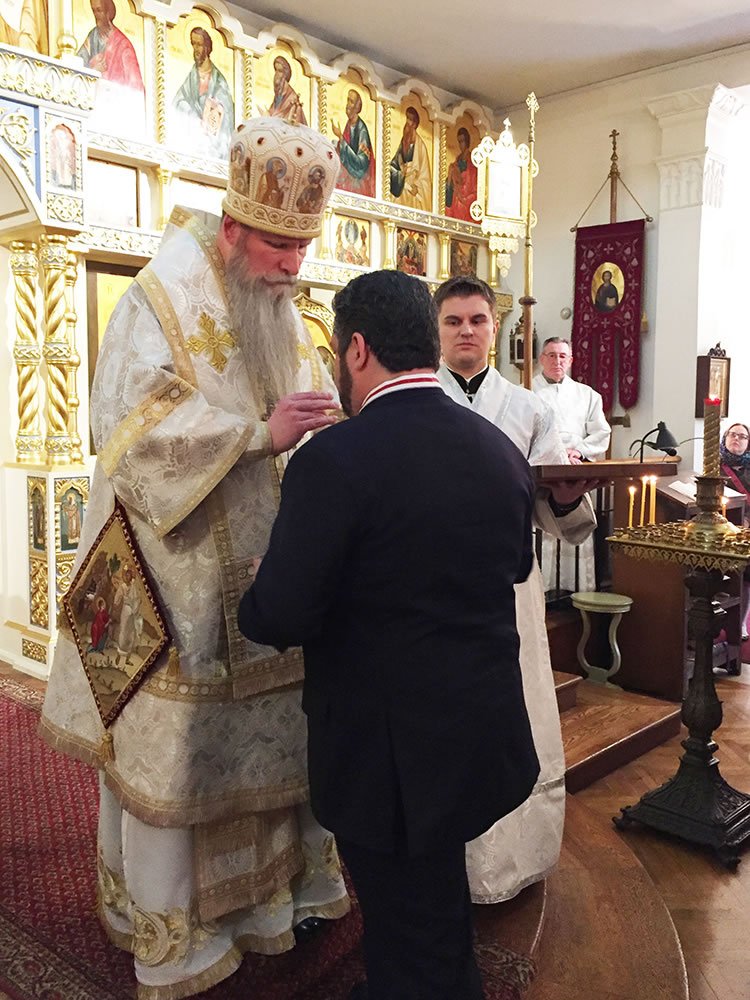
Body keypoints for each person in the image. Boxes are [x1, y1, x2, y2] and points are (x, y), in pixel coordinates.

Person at [40, 116, 349, 999]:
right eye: (280, 247)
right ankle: (177, 937)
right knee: (178, 756)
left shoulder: (284, 312)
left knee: (279, 747)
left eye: (303, 247)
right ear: (235, 229)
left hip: (271, 580)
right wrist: (256, 435)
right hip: (175, 584)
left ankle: (273, 905)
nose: (293, 266)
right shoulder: (159, 299)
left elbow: (308, 406)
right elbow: (126, 429)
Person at [238, 268, 540, 1000]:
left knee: (407, 918)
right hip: (477, 730)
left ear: (357, 350)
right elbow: (512, 565)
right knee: (433, 904)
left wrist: (264, 581)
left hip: (387, 756)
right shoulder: (497, 448)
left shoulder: (333, 460)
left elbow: (281, 615)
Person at [435, 275, 598, 904]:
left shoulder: (530, 410)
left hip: (509, 588)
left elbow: (559, 515)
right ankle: (441, 861)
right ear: (437, 331)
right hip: (434, 588)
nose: (466, 332)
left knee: (513, 710)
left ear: (495, 327)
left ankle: (506, 864)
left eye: (477, 320)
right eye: (453, 321)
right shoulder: (417, 403)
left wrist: (567, 497)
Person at [532, 336, 611, 593]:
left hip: (575, 469)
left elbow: (601, 433)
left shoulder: (587, 395)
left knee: (574, 529)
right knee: (542, 528)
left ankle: (576, 592)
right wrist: (553, 452)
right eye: (551, 355)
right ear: (542, 359)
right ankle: (543, 591)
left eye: (562, 356)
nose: (557, 361)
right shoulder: (525, 391)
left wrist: (578, 451)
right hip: (541, 472)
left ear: (570, 361)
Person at [172, 26, 234, 159]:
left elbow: (227, 109)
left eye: (199, 44)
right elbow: (178, 101)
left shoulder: (219, 80)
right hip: (192, 137)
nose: (196, 49)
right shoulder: (192, 76)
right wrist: (192, 115)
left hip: (212, 143)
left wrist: (212, 112)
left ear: (207, 47)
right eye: (193, 44)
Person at [721, 422, 750, 640]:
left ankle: (740, 623)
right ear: (725, 438)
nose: (736, 439)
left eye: (742, 436)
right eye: (732, 435)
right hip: (723, 531)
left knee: (746, 578)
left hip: (748, 531)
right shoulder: (714, 467)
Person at [77, 0, 144, 92]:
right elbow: (78, 63)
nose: (96, 15)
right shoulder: (93, 35)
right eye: (94, 11)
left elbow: (135, 85)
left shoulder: (123, 44)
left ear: (108, 12)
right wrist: (93, 70)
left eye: (99, 10)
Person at [333, 89, 375, 197]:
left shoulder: (362, 131)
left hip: (359, 178)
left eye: (351, 101)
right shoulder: (350, 123)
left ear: (357, 107)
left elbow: (361, 162)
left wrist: (340, 137)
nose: (347, 105)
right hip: (350, 169)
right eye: (347, 100)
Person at [389, 106, 432, 211]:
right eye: (407, 118)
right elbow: (394, 164)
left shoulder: (420, 147)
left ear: (415, 124)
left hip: (413, 190)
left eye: (411, 120)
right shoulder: (404, 141)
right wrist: (400, 173)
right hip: (402, 184)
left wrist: (416, 187)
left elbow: (425, 177)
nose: (408, 123)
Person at [445, 127, 478, 221]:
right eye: (459, 141)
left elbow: (477, 190)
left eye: (462, 141)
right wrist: (450, 177)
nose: (460, 145)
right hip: (456, 205)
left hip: (467, 207)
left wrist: (464, 199)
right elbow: (450, 188)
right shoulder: (456, 162)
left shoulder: (473, 162)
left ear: (467, 142)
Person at [265, 55, 307, 124]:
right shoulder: (279, 93)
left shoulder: (292, 97)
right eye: (276, 70)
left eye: (280, 71)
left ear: (285, 74)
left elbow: (295, 119)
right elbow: (274, 111)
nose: (276, 74)